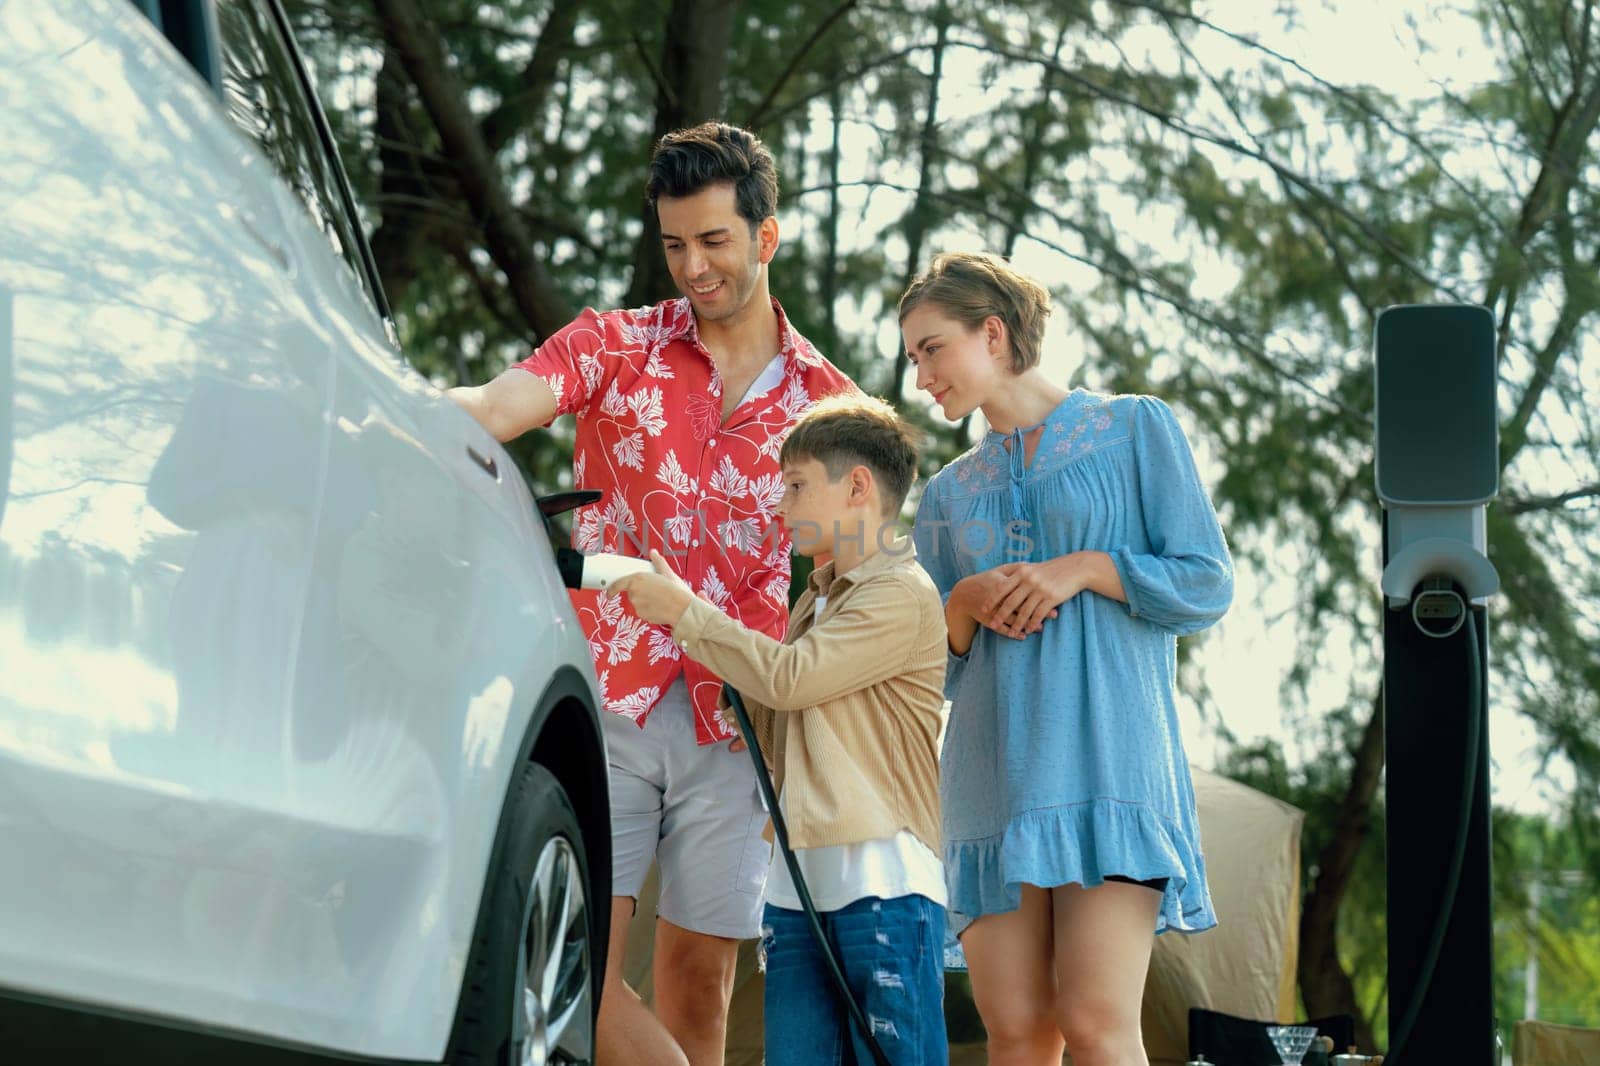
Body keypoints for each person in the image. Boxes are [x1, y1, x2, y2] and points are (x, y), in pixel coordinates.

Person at [449, 123, 855, 1066]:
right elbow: (495, 408)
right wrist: (392, 399)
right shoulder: (614, 344)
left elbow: (865, 578)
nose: (694, 267)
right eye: (675, 244)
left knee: (701, 992)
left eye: (714, 241)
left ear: (767, 237)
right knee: (574, 961)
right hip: (607, 695)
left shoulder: (830, 405)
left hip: (738, 714)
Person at [901, 252, 1233, 1066]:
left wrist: (1084, 567)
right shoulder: (947, 495)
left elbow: (1205, 582)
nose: (920, 378)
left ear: (993, 331)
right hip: (991, 780)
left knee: (1095, 1023)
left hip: (1109, 766)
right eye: (913, 358)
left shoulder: (1133, 429)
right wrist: (960, 606)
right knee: (1014, 1032)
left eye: (930, 349)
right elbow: (922, 671)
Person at [613, 394, 950, 1066]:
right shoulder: (814, 600)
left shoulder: (900, 592)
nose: (779, 503)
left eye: (796, 485)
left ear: (857, 486)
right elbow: (789, 703)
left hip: (883, 885)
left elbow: (795, 678)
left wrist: (686, 613)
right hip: (798, 893)